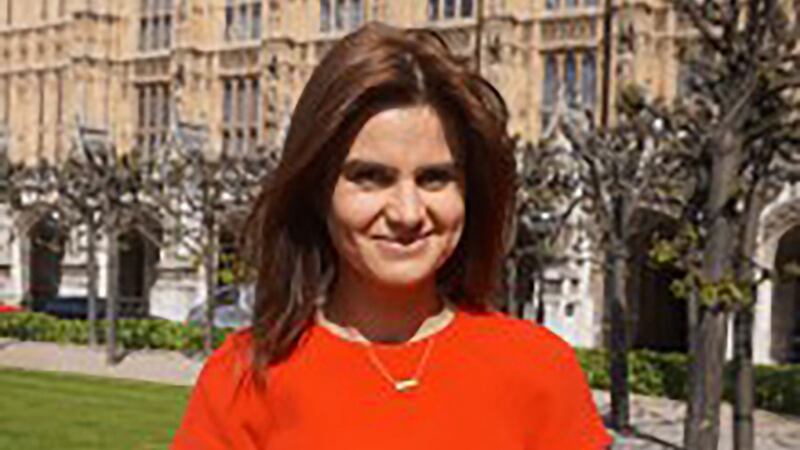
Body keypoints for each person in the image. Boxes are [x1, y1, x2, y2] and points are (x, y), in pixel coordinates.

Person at [172, 22, 611, 450]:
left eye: (434, 178)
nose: (408, 212)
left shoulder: (540, 371)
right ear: (318, 190)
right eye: (371, 177)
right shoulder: (242, 379)